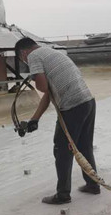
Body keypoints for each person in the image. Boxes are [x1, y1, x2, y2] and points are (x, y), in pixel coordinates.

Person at [15, 37, 100, 204]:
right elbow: (49, 94)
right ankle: (93, 185)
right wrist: (35, 119)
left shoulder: (33, 56)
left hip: (72, 107)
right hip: (88, 102)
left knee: (62, 150)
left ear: (23, 53)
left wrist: (35, 77)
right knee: (84, 146)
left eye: (21, 59)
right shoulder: (52, 53)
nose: (25, 61)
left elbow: (42, 87)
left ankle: (63, 194)